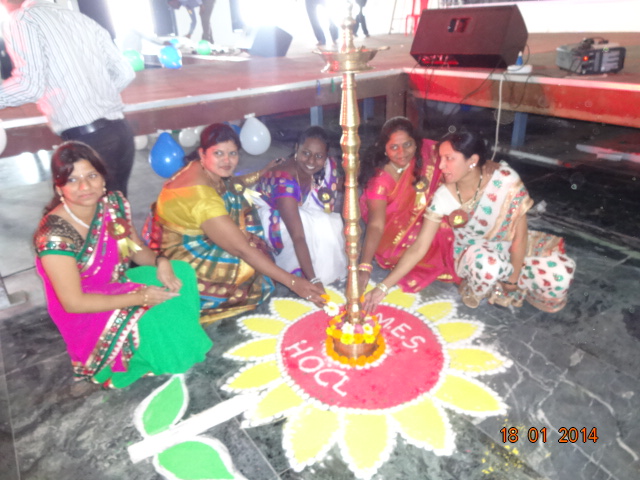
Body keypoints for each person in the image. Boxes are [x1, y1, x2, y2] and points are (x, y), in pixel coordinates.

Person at [33, 142, 212, 389]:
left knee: (180, 272)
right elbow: (73, 302)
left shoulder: (111, 205)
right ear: (59, 187)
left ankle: (175, 338)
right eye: (73, 180)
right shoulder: (54, 235)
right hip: (86, 308)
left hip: (116, 284)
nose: (85, 187)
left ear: (103, 178)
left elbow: (134, 248)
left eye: (91, 176)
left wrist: (161, 262)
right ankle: (141, 354)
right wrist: (140, 298)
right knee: (153, 316)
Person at [364, 129, 576, 313]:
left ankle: (512, 287)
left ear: (472, 160)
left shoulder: (505, 181)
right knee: (488, 266)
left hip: (511, 249)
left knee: (561, 274)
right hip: (473, 256)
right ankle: (481, 286)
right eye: (440, 158)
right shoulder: (443, 196)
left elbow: (520, 237)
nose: (441, 165)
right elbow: (419, 247)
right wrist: (383, 287)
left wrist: (513, 279)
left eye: (449, 159)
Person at [146, 123, 325, 323]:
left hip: (194, 229)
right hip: (180, 252)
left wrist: (262, 172)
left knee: (239, 202)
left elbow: (233, 184)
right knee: (250, 269)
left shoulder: (202, 167)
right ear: (202, 153)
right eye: (219, 153)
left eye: (232, 153)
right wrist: (293, 283)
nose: (227, 160)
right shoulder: (201, 197)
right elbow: (242, 250)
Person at [0, 0, 136, 196]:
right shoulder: (82, 19)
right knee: (116, 210)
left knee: (84, 212)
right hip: (121, 131)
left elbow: (29, 86)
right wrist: (95, 97)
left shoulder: (23, 19)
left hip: (88, 141)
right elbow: (125, 73)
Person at [357, 116, 459, 293]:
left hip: (427, 218)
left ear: (416, 143)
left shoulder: (429, 152)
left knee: (447, 225)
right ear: (384, 149)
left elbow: (456, 157)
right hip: (393, 239)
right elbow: (376, 225)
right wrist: (365, 267)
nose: (402, 152)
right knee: (440, 232)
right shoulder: (380, 181)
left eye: (407, 144)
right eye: (393, 147)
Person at [254, 126, 347, 289]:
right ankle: (302, 273)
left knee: (328, 222)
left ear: (326, 156)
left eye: (319, 156)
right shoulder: (284, 181)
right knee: (313, 224)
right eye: (306, 153)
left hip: (297, 208)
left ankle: (318, 272)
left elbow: (329, 186)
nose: (311, 161)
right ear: (297, 148)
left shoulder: (325, 166)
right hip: (271, 218)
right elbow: (298, 236)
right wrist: (313, 280)